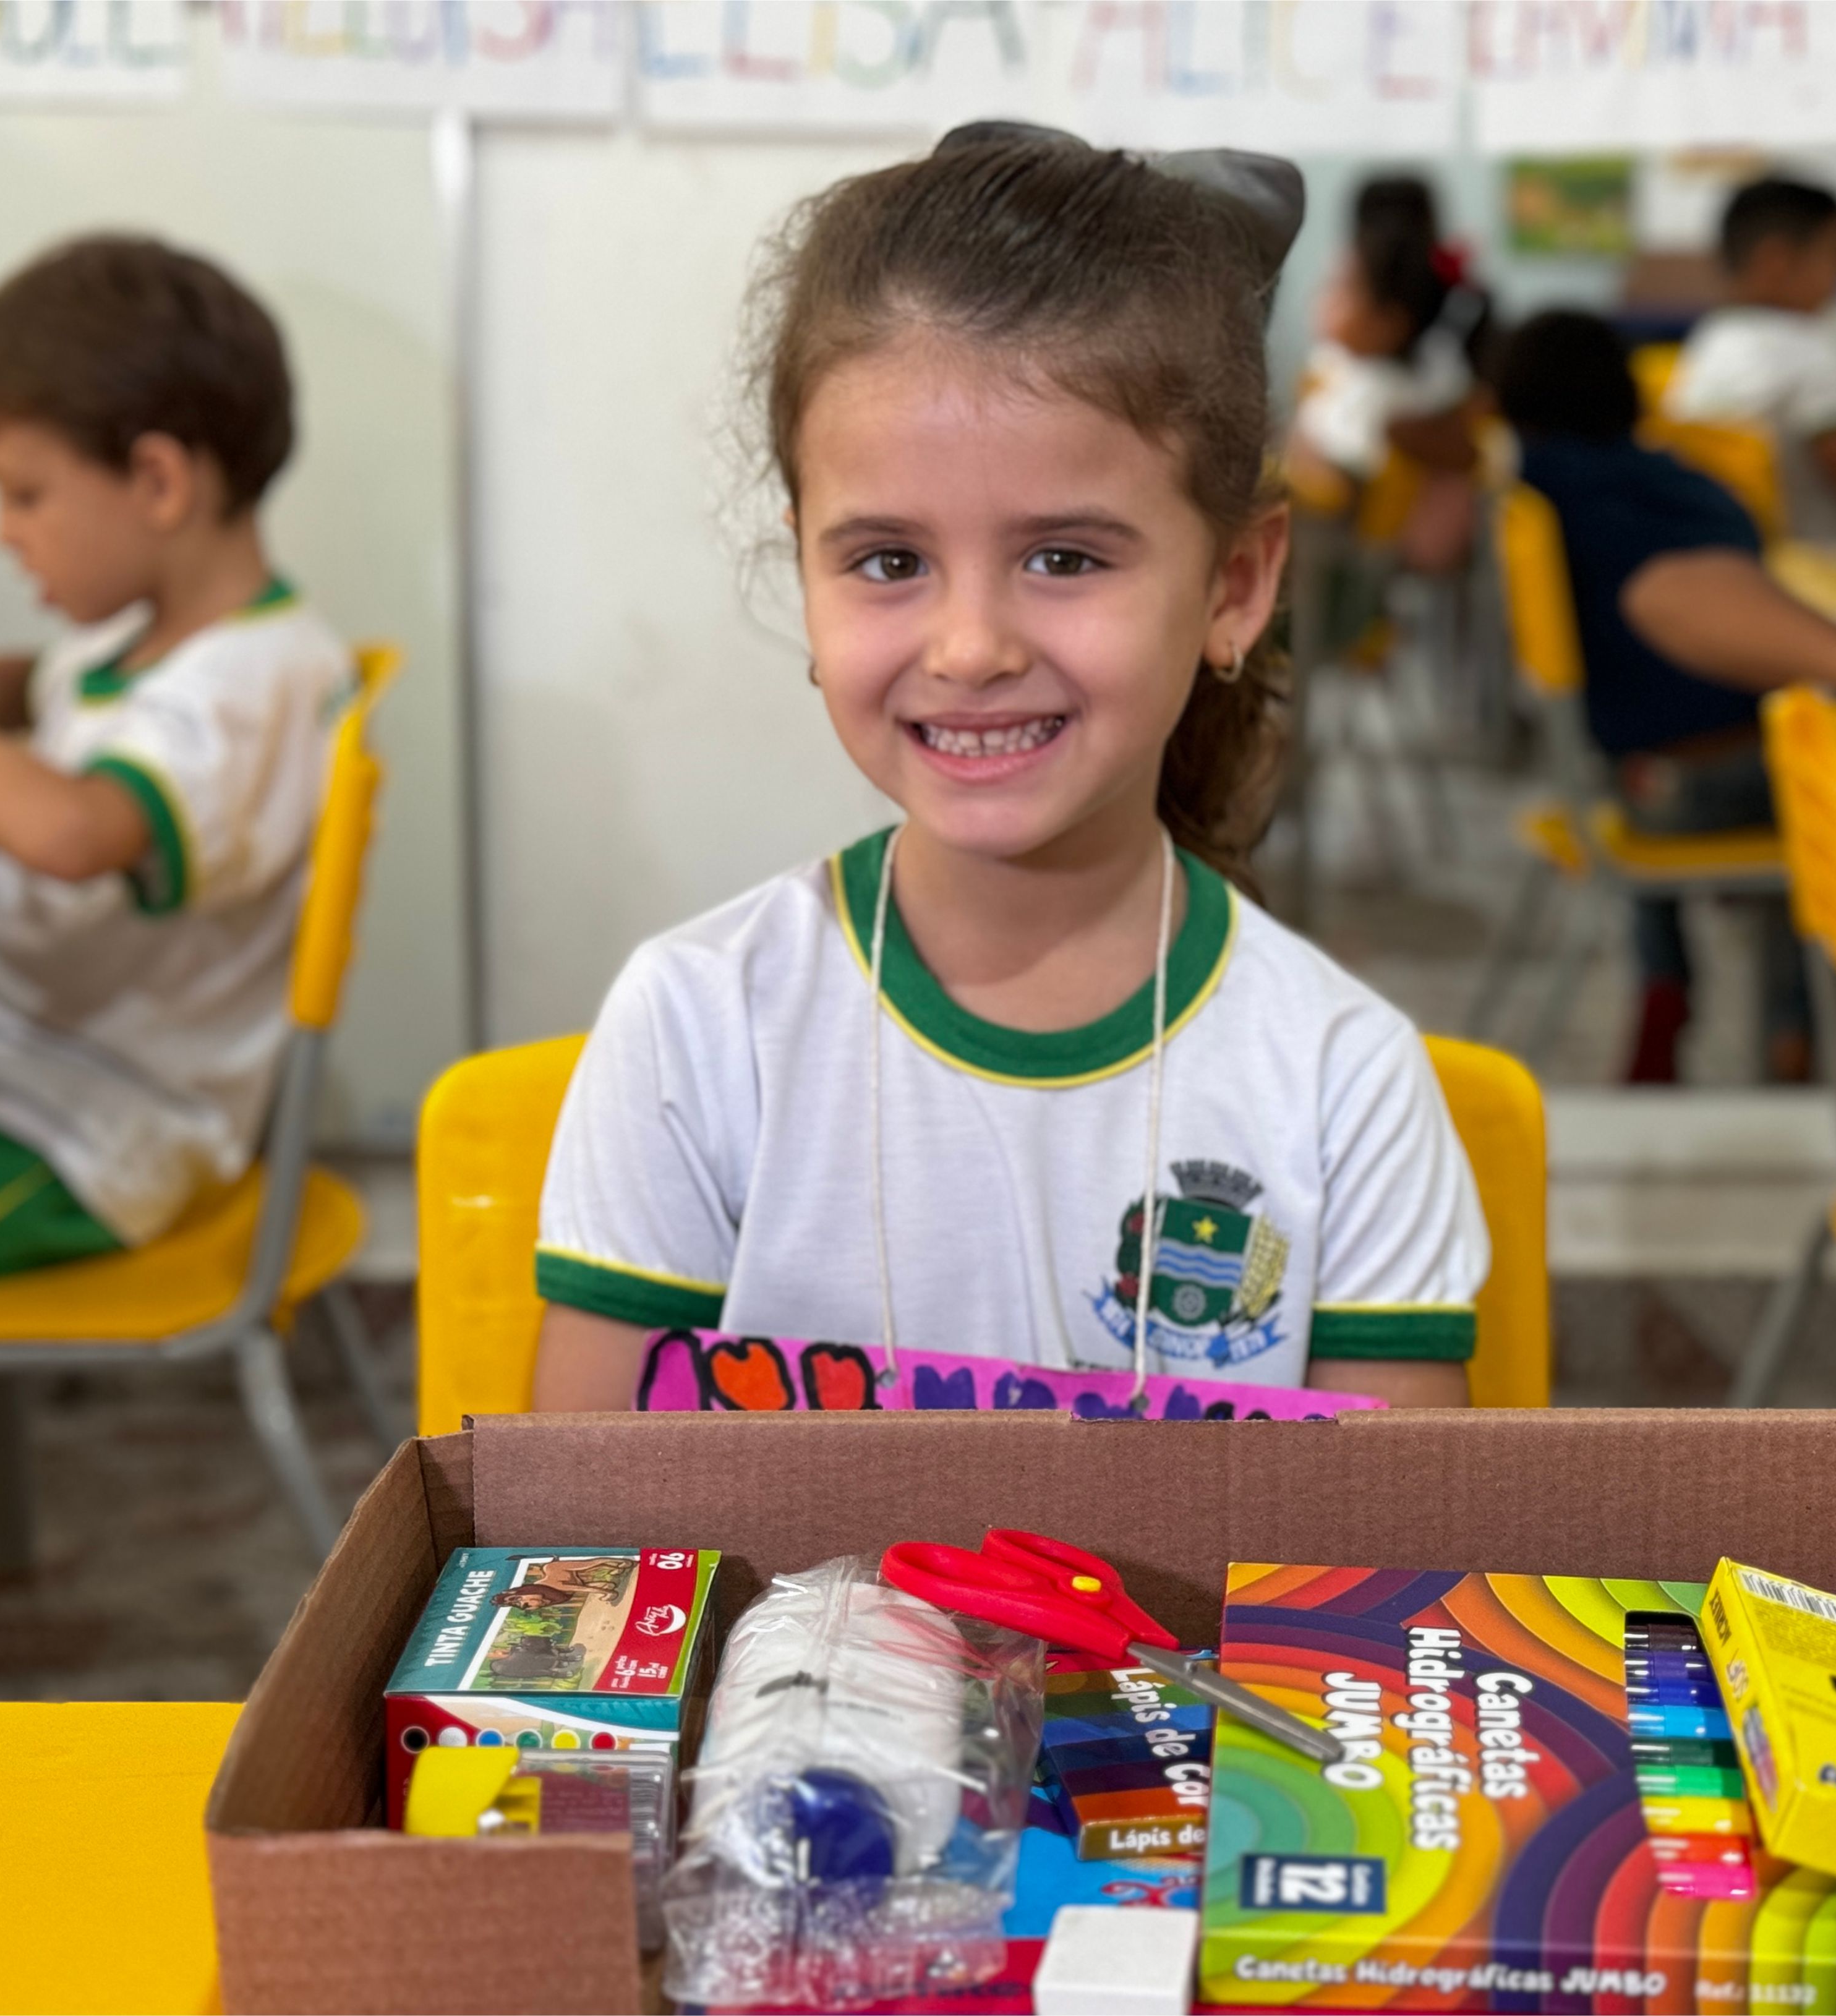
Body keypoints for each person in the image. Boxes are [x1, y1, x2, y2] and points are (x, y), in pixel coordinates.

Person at [532, 131, 1489, 1414]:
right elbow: (587, 1543)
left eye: (1064, 559)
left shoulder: (1341, 1085)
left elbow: (1373, 1583)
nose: (970, 647)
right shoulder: (700, 1027)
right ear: (803, 571)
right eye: (885, 561)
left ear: (1234, 585)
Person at [0, 236, 351, 1304]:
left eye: (25, 495)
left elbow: (76, 832)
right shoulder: (141, 643)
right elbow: (24, 684)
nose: (3, 534)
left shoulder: (247, 687)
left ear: (158, 481)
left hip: (80, 1126)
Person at [1495, 309, 1836, 1084]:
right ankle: (1794, 1032)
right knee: (1817, 772)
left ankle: (1665, 981)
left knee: (1745, 739)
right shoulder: (1684, 486)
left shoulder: (1533, 489)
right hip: (1699, 784)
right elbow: (1671, 593)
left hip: (1625, 776)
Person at [1289, 174, 1493, 576]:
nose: (1323, 305)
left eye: (1341, 292)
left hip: (1363, 559)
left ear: (1389, 320)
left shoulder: (1387, 395)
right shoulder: (1367, 373)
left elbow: (1331, 482)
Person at [1665, 176, 1836, 543]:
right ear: (1776, 260)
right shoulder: (1811, 353)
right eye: (1835, 259)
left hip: (1742, 559)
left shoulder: (1711, 341)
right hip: (1830, 569)